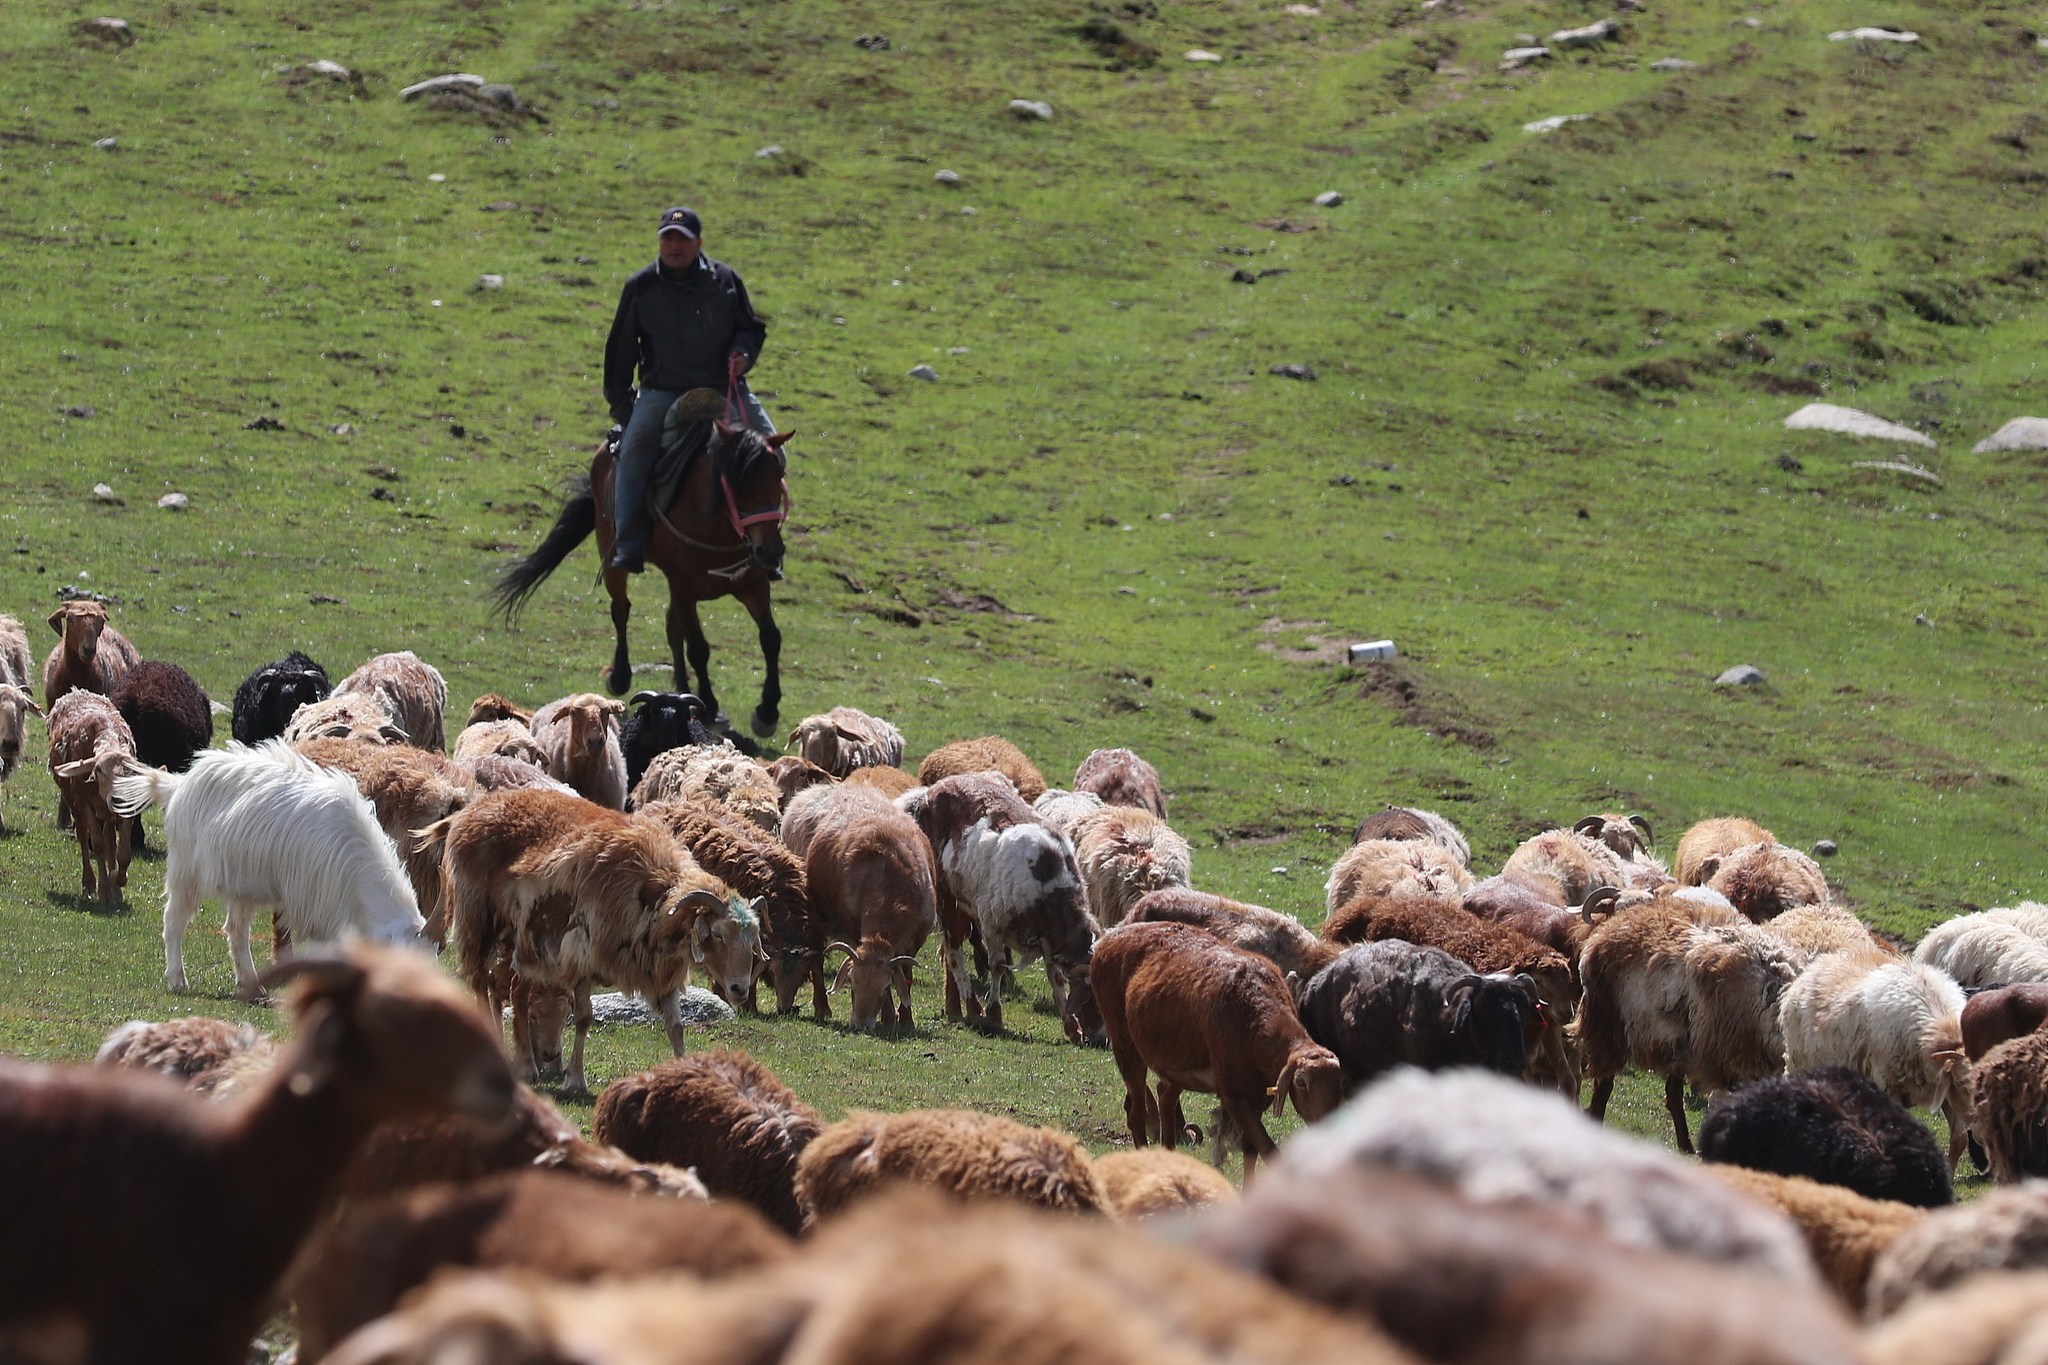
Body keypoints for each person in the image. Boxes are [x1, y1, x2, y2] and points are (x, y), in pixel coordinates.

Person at [601, 205, 771, 573]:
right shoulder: (641, 287)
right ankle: (629, 543)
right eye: (668, 238)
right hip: (662, 391)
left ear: (699, 244)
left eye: (683, 239)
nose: (674, 246)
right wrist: (623, 409)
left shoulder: (726, 280)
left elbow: (750, 327)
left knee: (773, 451)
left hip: (723, 387)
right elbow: (620, 350)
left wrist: (743, 353)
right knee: (635, 450)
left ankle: (764, 546)